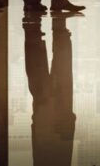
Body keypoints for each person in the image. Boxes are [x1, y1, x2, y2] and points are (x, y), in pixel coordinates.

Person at [25, 15, 76, 164]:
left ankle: (52, 28)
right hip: (52, 123)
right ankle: (39, 30)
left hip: (56, 123)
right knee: (55, 73)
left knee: (61, 71)